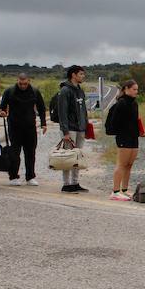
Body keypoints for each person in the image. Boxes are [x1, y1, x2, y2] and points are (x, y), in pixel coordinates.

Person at [0, 73, 47, 186]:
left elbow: (42, 108)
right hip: (14, 127)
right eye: (20, 83)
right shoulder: (9, 91)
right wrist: (2, 113)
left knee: (30, 153)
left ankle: (30, 177)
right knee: (14, 153)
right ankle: (13, 176)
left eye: (25, 83)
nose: (23, 86)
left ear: (29, 81)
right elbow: (2, 108)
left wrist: (43, 124)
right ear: (17, 81)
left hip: (30, 127)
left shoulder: (35, 91)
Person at [52, 65, 89, 193]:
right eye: (81, 74)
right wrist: (65, 132)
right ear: (73, 75)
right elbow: (62, 113)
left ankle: (75, 182)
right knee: (68, 156)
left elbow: (83, 110)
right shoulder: (65, 91)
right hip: (70, 129)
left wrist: (86, 126)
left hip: (80, 128)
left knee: (77, 157)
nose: (83, 76)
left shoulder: (80, 90)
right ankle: (66, 184)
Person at [105, 79, 142, 201]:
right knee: (121, 164)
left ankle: (124, 190)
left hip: (133, 136)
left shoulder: (134, 103)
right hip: (123, 136)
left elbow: (136, 120)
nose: (136, 91)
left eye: (137, 89)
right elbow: (115, 121)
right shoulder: (121, 103)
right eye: (134, 89)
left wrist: (140, 130)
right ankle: (115, 191)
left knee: (129, 164)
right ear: (126, 89)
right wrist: (122, 131)